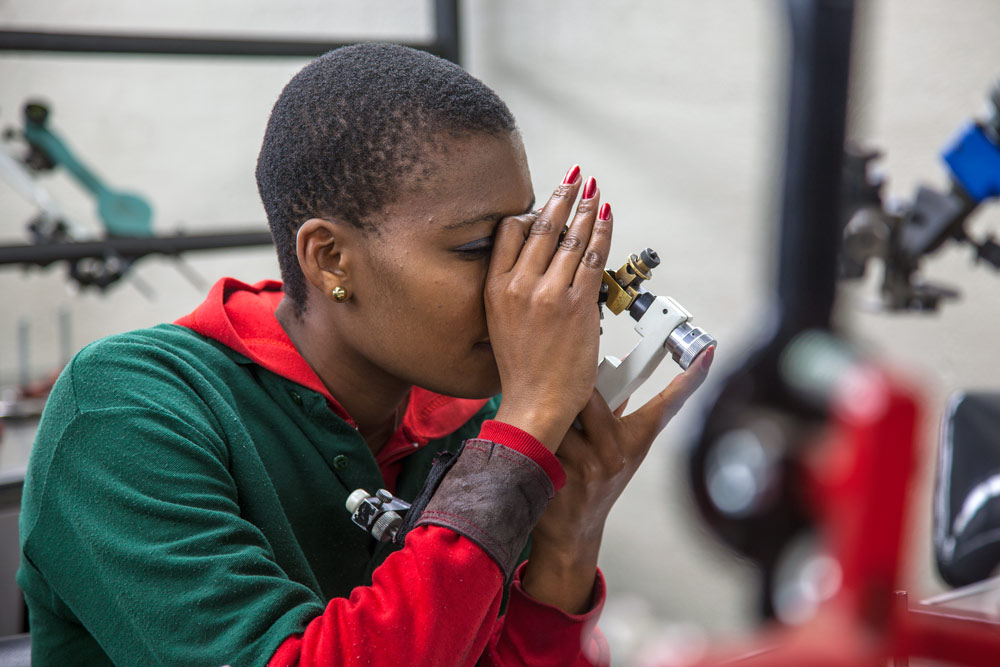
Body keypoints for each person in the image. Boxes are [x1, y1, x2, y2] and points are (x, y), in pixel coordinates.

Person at [17, 43, 713, 666]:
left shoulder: (478, 416)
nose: (517, 281)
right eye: (476, 247)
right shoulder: (123, 412)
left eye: (524, 235)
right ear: (330, 260)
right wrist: (518, 441)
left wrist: (564, 546)